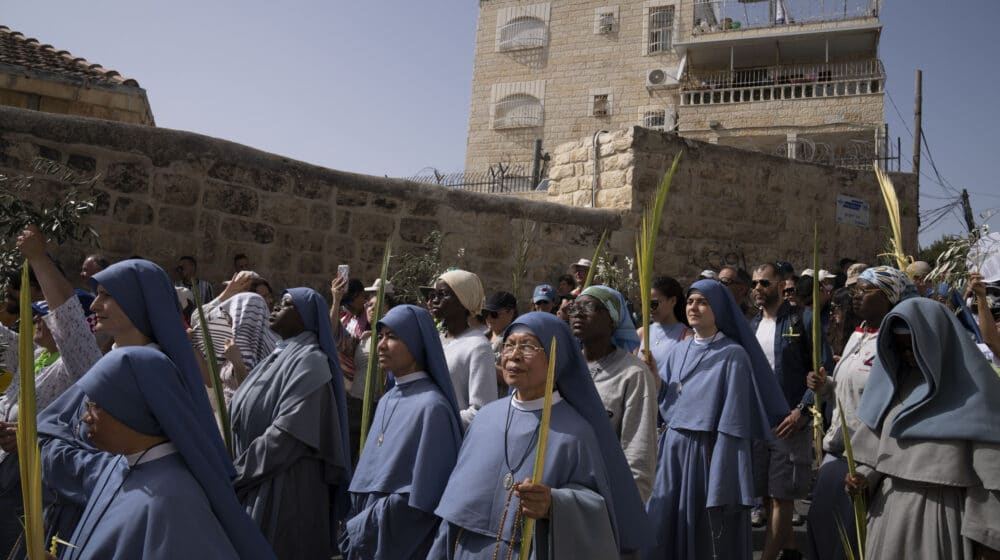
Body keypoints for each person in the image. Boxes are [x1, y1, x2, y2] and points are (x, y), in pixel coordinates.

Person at [37, 258, 232, 551]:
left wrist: (79, 461)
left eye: (107, 295)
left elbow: (147, 456)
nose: (94, 305)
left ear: (139, 301)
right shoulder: (111, 359)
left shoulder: (159, 377)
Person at [430, 312, 653, 558]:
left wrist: (553, 504)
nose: (514, 355)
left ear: (556, 358)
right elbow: (453, 512)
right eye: (509, 345)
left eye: (527, 346)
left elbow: (597, 511)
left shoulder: (576, 433)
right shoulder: (484, 418)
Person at [36, 347, 275, 559]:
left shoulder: (174, 502)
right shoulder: (121, 464)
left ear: (133, 408)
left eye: (95, 406)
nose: (86, 418)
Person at [644, 279, 788, 560]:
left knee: (703, 534)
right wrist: (657, 381)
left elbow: (733, 422)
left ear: (719, 309)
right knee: (663, 525)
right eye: (690, 301)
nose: (693, 307)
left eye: (702, 302)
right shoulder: (680, 349)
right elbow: (671, 404)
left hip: (706, 454)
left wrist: (723, 471)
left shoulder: (733, 355)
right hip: (673, 449)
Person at [847, 297, 1000, 559]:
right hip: (888, 515)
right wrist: (861, 479)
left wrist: (987, 538)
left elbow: (991, 482)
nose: (907, 356)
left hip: (943, 519)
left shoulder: (977, 396)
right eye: (900, 349)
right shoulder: (893, 390)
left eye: (913, 348)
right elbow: (876, 456)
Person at [0, 227, 102, 555]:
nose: (39, 322)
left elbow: (70, 324)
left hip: (30, 490)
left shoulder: (77, 366)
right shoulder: (33, 354)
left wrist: (38, 259)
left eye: (45, 316)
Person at [230, 288, 352, 559]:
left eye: (286, 305)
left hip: (284, 484)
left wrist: (235, 472)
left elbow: (288, 435)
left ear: (306, 318)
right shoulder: (278, 355)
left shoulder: (311, 362)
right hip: (255, 478)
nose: (274, 309)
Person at [805, 266, 916, 560]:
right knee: (822, 529)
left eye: (865, 290)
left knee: (852, 540)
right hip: (837, 450)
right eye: (856, 289)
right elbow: (847, 390)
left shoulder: (897, 344)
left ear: (889, 296)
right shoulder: (858, 334)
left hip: (867, 460)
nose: (856, 296)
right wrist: (825, 385)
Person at [340, 305, 463, 559]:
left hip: (397, 537)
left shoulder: (432, 407)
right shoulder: (387, 399)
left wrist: (367, 524)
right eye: (381, 336)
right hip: (366, 529)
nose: (381, 345)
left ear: (417, 343)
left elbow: (425, 498)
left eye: (393, 337)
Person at [749, 262, 830, 559]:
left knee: (783, 497)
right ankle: (792, 549)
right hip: (760, 421)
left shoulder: (803, 320)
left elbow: (822, 370)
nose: (758, 288)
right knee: (767, 495)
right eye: (755, 283)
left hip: (790, 421)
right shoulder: (752, 326)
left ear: (782, 285)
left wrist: (802, 411)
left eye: (765, 283)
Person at [570, 285, 657, 501]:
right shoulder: (566, 367)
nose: (578, 313)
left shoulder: (633, 373)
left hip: (603, 495)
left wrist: (629, 505)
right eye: (574, 308)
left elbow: (638, 450)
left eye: (589, 306)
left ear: (612, 319)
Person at [429, 270, 497, 430]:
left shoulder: (478, 346)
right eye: (433, 295)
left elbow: (481, 410)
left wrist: (435, 420)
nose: (434, 301)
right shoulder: (436, 340)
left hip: (447, 437)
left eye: (443, 295)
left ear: (464, 301)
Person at [636, 275, 692, 379]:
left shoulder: (687, 337)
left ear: (672, 301)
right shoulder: (641, 333)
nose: (648, 309)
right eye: (644, 303)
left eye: (654, 304)